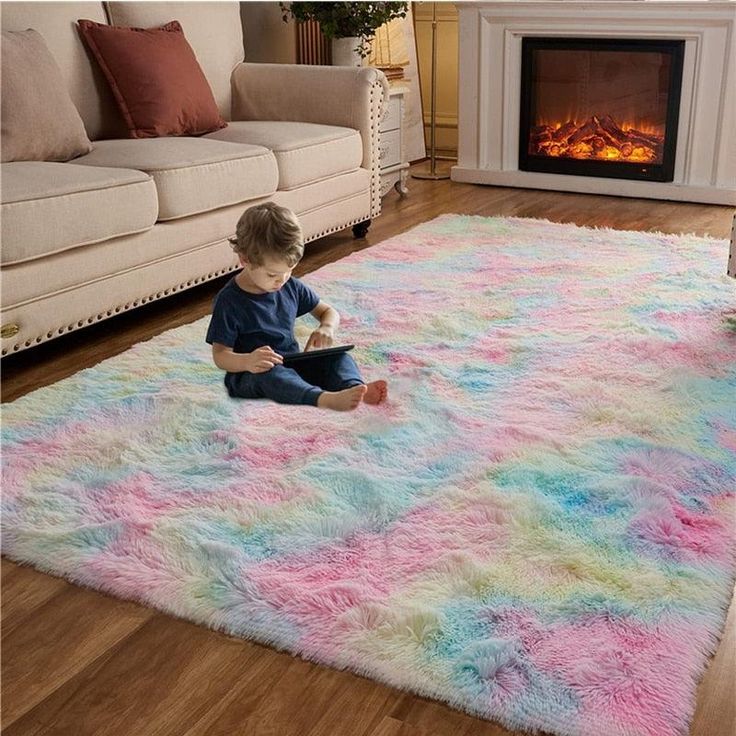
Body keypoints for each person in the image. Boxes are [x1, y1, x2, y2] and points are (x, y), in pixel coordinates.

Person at [206, 202, 388, 411]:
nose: (281, 280)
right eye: (272, 274)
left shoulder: (289, 286)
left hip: (292, 361)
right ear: (244, 260)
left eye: (289, 270)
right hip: (252, 373)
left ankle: (356, 388)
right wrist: (247, 361)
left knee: (338, 357)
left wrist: (326, 328)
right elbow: (220, 356)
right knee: (274, 375)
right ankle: (324, 399)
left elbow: (329, 312)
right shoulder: (229, 301)